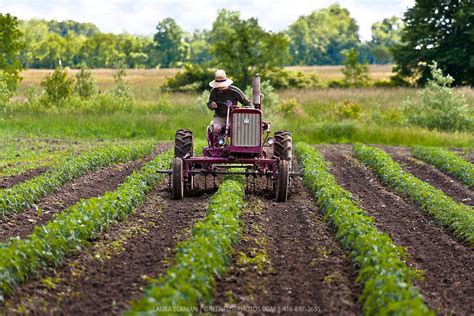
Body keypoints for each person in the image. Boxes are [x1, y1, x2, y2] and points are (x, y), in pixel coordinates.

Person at [207, 69, 251, 135]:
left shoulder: (235, 91)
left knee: (237, 128)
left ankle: (236, 144)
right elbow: (209, 103)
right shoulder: (214, 91)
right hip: (220, 116)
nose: (220, 86)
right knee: (216, 128)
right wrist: (212, 105)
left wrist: (246, 110)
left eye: (222, 85)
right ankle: (218, 143)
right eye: (218, 85)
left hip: (234, 117)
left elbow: (247, 103)